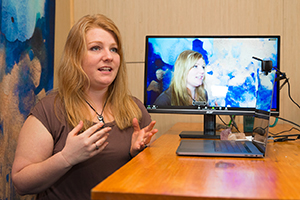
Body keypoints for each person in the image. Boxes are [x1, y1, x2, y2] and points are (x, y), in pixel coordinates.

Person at [11, 14, 158, 200]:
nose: (108, 57)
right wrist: (66, 158)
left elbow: (149, 180)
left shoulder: (134, 109)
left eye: (114, 49)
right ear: (75, 57)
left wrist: (137, 156)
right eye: (95, 48)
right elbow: (21, 183)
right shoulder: (49, 110)